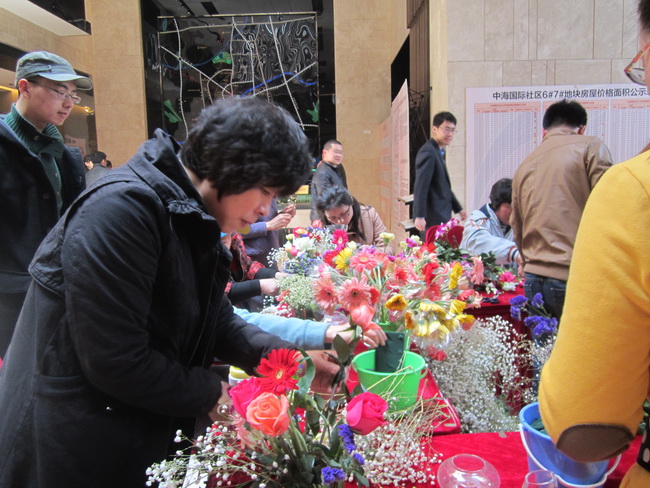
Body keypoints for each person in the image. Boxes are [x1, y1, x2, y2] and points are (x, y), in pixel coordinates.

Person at [0, 97, 341, 488]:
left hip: (126, 427)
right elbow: (116, 359)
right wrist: (212, 393)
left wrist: (280, 360)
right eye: (265, 191)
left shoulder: (191, 214)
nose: (266, 211)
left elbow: (213, 317)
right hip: (70, 439)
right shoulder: (121, 211)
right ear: (228, 165)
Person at [539, 3, 650, 485]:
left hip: (543, 275)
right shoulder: (595, 152)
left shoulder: (635, 190)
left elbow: (583, 425)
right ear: (580, 126)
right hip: (577, 275)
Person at [0, 51, 92, 358]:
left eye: (72, 95)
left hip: (55, 286)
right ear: (24, 87)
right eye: (59, 92)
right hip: (9, 295)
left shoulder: (64, 155)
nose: (68, 103)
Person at [511, 99, 612, 319]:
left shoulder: (525, 165)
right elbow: (610, 207)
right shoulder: (590, 146)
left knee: (542, 351)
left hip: (533, 279)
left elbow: (516, 224)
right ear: (582, 128)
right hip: (573, 274)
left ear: (544, 130)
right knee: (582, 351)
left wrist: (527, 262)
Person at [413, 111, 467, 235]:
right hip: (432, 217)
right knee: (434, 252)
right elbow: (421, 186)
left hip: (440, 215)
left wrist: (458, 208)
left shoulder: (438, 151)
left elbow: (442, 185)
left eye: (453, 130)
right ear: (434, 129)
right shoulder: (428, 152)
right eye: (446, 129)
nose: (450, 134)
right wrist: (420, 216)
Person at [461, 178, 522, 270]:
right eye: (509, 207)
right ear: (496, 204)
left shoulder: (518, 224)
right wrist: (514, 253)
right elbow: (479, 244)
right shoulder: (477, 219)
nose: (513, 212)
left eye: (516, 207)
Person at [316, 185, 394, 254]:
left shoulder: (369, 215)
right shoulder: (322, 228)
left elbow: (388, 249)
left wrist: (370, 251)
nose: (340, 221)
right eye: (333, 218)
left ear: (351, 202)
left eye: (344, 214)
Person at [223, 231, 284, 306]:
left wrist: (275, 275)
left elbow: (247, 266)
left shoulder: (233, 233)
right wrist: (261, 285)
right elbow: (218, 292)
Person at [242, 198, 296, 268]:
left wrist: (281, 217)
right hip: (250, 262)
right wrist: (267, 225)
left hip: (271, 257)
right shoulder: (240, 193)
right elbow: (231, 231)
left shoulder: (270, 192)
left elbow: (266, 220)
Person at [310, 139, 347, 225]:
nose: (338, 155)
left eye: (340, 152)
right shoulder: (323, 172)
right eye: (335, 152)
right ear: (325, 153)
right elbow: (326, 200)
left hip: (336, 217)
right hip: (325, 221)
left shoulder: (338, 168)